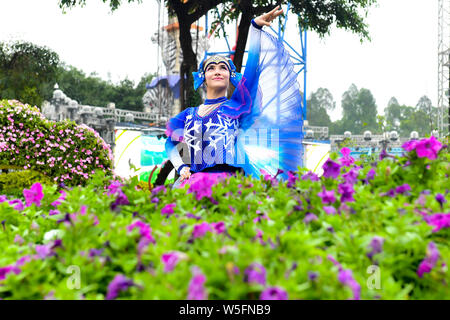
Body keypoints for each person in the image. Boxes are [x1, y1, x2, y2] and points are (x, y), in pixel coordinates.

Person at [165, 6, 304, 189]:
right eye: (211, 68)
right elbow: (171, 142)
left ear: (231, 76)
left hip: (229, 185)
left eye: (223, 67)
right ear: (203, 77)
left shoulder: (235, 106)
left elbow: (252, 71)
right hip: (194, 186)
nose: (217, 71)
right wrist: (182, 165)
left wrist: (255, 29)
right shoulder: (189, 115)